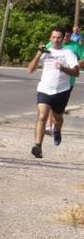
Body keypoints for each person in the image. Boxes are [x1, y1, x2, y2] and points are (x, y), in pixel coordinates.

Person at [27, 27, 80, 158]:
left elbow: (77, 72)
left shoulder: (68, 53)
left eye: (59, 38)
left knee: (58, 118)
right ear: (50, 38)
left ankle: (57, 130)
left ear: (63, 39)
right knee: (42, 116)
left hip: (61, 91)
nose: (56, 40)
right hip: (44, 89)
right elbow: (30, 70)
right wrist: (38, 54)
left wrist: (63, 68)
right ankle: (37, 146)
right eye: (54, 37)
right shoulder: (46, 52)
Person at [43, 26, 84, 135]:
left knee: (58, 108)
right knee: (50, 104)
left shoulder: (75, 46)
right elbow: (44, 52)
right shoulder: (53, 44)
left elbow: (83, 58)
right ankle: (48, 125)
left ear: (71, 36)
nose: (66, 38)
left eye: (68, 36)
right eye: (64, 35)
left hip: (68, 82)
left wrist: (77, 63)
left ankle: (56, 126)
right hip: (52, 80)